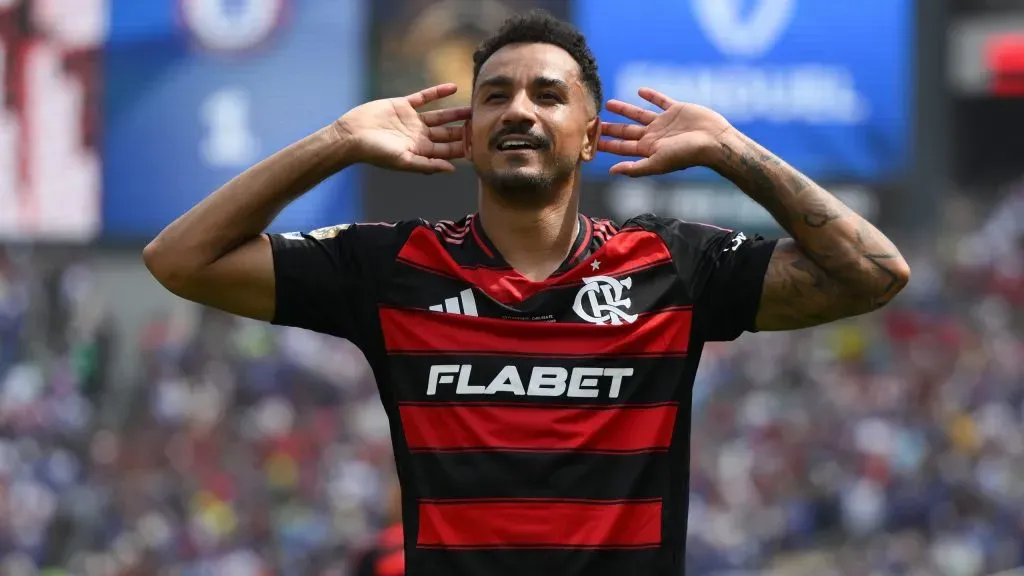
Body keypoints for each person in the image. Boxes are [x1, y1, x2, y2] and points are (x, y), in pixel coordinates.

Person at [143, 10, 910, 576]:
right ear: (471, 131)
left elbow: (875, 274)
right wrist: (337, 142)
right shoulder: (389, 266)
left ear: (588, 131)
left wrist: (734, 151)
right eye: (496, 96)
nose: (518, 110)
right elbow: (180, 259)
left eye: (548, 95)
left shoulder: (674, 265)